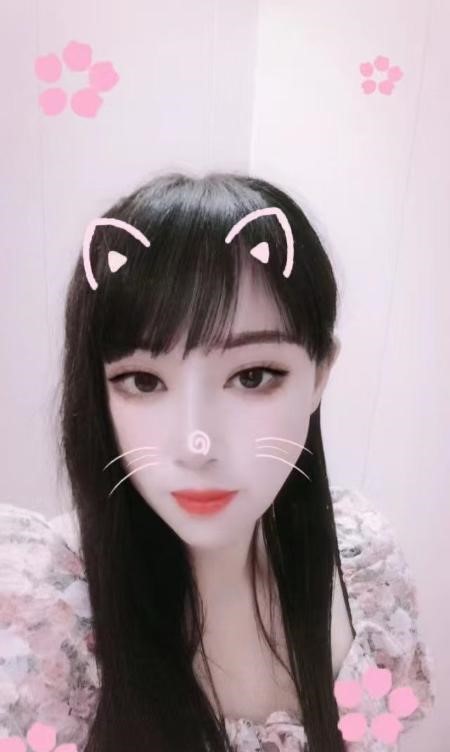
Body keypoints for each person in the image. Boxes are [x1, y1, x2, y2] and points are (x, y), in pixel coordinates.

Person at [0, 172, 435, 751]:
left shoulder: (365, 576)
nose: (195, 444)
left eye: (252, 376)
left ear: (319, 376)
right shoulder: (38, 617)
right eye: (143, 381)